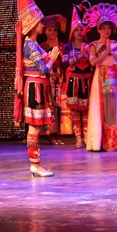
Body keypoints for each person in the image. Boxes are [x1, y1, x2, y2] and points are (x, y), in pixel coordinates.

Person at [14, 0, 58, 175]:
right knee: (34, 127)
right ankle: (35, 164)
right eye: (40, 22)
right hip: (35, 88)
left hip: (38, 87)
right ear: (33, 24)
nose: (43, 26)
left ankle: (36, 164)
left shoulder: (33, 45)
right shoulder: (31, 46)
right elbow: (42, 69)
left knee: (37, 127)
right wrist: (52, 60)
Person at [86, 2, 117, 152]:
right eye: (103, 28)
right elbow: (93, 62)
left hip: (115, 75)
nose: (106, 31)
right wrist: (105, 53)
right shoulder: (94, 45)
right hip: (101, 76)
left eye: (109, 28)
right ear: (98, 29)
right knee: (102, 106)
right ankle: (102, 140)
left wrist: (113, 53)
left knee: (116, 106)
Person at [64, 5, 92, 148]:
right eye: (77, 30)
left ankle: (86, 136)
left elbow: (93, 62)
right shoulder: (68, 47)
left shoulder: (88, 46)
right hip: (73, 81)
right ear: (72, 33)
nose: (80, 32)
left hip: (86, 80)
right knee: (75, 110)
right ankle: (78, 138)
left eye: (81, 29)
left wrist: (86, 57)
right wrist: (79, 57)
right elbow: (65, 62)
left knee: (86, 110)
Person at [41, 14, 67, 145]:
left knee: (58, 106)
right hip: (48, 76)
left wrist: (59, 50)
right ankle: (50, 134)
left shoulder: (62, 46)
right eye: (49, 30)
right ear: (45, 31)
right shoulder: (42, 46)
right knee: (49, 105)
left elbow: (65, 62)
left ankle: (58, 134)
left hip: (59, 77)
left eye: (55, 30)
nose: (52, 33)